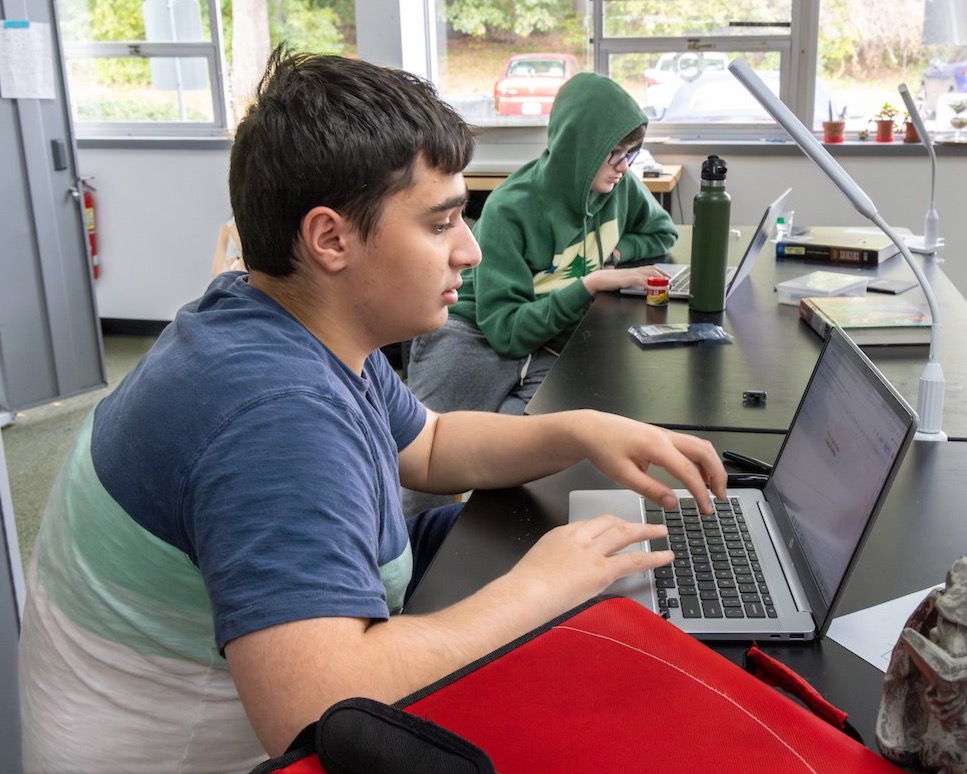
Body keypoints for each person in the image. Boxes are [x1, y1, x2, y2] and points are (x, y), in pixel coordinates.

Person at [18, 47, 725, 773]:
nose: (471, 251)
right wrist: (537, 589)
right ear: (330, 239)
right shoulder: (275, 419)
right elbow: (316, 706)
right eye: (440, 223)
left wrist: (580, 428)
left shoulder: (282, 324)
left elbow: (433, 443)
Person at [404, 71, 678, 514]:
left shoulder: (621, 187)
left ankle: (481, 554)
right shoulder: (512, 207)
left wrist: (618, 251)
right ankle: (413, 571)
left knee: (522, 468)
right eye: (614, 154)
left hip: (548, 339)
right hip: (476, 333)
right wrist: (588, 285)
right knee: (425, 468)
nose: (624, 166)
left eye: (632, 153)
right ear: (580, 148)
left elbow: (661, 233)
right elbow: (508, 332)